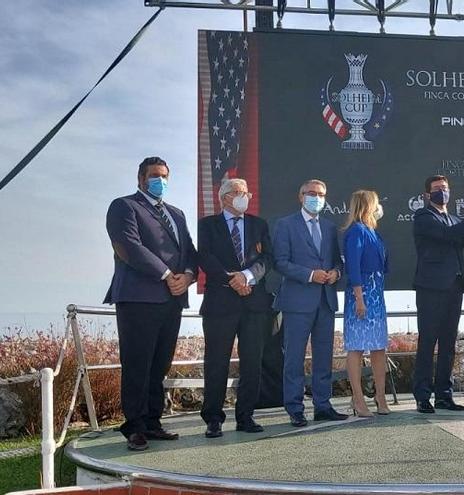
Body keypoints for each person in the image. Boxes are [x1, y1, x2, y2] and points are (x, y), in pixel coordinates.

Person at [104, 156, 197, 451]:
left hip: (172, 299)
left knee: (160, 364)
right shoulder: (124, 206)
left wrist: (189, 276)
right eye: (155, 175)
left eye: (165, 175)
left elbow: (190, 251)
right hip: (138, 298)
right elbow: (128, 246)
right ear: (141, 178)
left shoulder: (177, 213)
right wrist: (167, 274)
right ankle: (135, 427)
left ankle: (153, 422)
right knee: (137, 363)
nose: (161, 180)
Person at [412, 175, 464, 413]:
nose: (442, 192)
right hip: (431, 288)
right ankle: (422, 396)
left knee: (449, 344)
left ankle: (444, 395)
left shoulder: (455, 219)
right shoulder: (424, 217)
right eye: (437, 189)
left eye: (445, 188)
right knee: (428, 342)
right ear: (427, 195)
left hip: (454, 287)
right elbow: (446, 235)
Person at [198, 178, 274, 438]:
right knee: (216, 362)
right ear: (225, 197)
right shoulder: (207, 225)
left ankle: (246, 416)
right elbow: (205, 257)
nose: (245, 197)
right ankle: (213, 419)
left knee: (252, 361)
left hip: (254, 304)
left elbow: (266, 259)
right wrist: (232, 278)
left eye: (247, 193)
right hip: (220, 303)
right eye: (239, 193)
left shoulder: (258, 225)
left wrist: (248, 277)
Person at [273, 179, 348, 427]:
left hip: (325, 301)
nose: (316, 197)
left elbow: (338, 262)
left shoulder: (329, 227)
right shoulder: (285, 225)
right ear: (301, 195)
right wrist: (310, 274)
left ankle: (323, 406)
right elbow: (280, 262)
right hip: (297, 302)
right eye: (312, 193)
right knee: (294, 357)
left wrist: (336, 273)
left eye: (321, 194)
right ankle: (295, 408)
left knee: (324, 356)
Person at [342, 190, 391, 417]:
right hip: (361, 294)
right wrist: (360, 299)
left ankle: (381, 397)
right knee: (357, 347)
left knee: (379, 347)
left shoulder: (374, 232)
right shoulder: (356, 231)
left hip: (376, 293)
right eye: (376, 203)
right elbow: (353, 266)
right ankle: (358, 399)